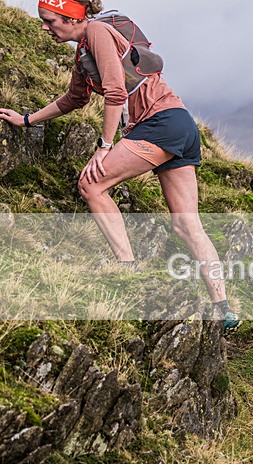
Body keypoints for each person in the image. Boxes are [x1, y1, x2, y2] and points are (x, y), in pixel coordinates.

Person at [0, 1, 238, 330]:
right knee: (187, 225)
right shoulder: (84, 50)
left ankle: (127, 270)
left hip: (159, 125)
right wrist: (27, 119)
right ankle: (223, 306)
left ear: (71, 17)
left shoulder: (97, 31)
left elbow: (114, 93)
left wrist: (104, 147)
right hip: (180, 124)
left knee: (91, 184)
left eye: (49, 20)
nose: (44, 27)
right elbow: (74, 98)